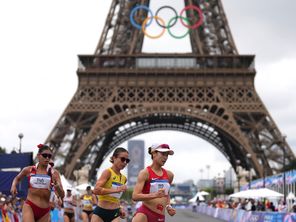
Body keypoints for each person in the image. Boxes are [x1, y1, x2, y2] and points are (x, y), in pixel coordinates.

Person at [10, 144, 65, 222]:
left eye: (49, 156)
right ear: (38, 156)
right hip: (30, 206)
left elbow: (62, 195)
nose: (47, 158)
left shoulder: (54, 173)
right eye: (45, 155)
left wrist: (58, 187)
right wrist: (13, 186)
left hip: (45, 210)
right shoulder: (29, 169)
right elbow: (17, 178)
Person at [132, 144, 176, 222]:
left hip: (160, 216)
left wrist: (168, 206)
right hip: (144, 214)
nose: (165, 157)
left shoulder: (170, 175)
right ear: (154, 153)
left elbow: (166, 195)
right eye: (163, 154)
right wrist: (155, 195)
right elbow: (135, 196)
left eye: (167, 155)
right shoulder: (145, 173)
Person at [91, 147, 129, 222]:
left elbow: (116, 197)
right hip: (100, 212)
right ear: (114, 158)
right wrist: (116, 190)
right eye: (122, 159)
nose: (125, 162)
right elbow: (96, 190)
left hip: (115, 213)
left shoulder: (124, 178)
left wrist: (120, 207)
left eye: (127, 160)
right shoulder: (107, 172)